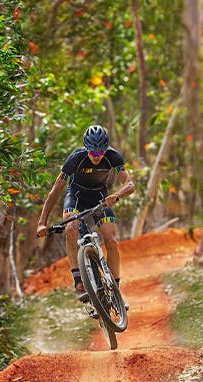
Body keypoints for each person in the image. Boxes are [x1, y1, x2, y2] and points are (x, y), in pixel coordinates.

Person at [36, 124, 135, 304]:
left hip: (100, 198)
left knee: (112, 242)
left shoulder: (113, 157)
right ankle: (79, 281)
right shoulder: (75, 159)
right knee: (71, 227)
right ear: (86, 149)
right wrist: (42, 222)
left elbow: (130, 184)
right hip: (76, 197)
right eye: (93, 153)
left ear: (106, 150)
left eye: (100, 153)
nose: (97, 157)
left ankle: (116, 292)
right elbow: (54, 192)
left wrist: (116, 196)